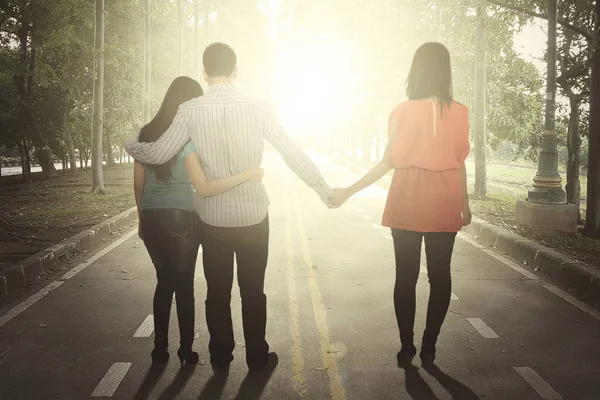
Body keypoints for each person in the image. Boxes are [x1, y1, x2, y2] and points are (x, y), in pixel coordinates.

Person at [125, 43, 332, 372]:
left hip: (213, 219)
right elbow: (291, 152)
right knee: (253, 291)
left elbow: (159, 152)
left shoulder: (190, 111)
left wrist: (131, 144)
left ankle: (221, 356)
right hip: (253, 216)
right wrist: (323, 188)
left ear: (204, 74)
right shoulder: (259, 108)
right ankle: (257, 357)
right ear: (236, 71)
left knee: (217, 291)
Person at [329, 42, 471, 367]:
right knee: (440, 276)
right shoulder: (461, 112)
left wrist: (348, 191)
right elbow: (459, 162)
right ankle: (430, 345)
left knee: (405, 277)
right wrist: (465, 205)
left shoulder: (401, 111)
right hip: (445, 200)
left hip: (407, 198)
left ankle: (407, 346)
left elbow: (386, 163)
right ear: (446, 71)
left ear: (416, 70)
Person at [133, 76, 264, 368]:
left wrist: (142, 217)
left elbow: (138, 181)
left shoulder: (145, 132)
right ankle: (185, 351)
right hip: (183, 217)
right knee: (185, 286)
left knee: (163, 282)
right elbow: (201, 183)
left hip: (153, 217)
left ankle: (159, 351)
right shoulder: (190, 135)